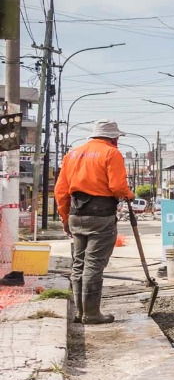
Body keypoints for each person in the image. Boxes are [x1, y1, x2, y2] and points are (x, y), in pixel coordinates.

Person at [54, 119, 134, 323]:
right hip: (101, 216)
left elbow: (60, 191)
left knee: (78, 264)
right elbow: (117, 186)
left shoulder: (72, 154)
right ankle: (91, 313)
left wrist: (65, 217)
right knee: (93, 265)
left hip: (76, 213)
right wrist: (128, 194)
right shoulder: (111, 152)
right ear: (113, 138)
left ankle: (80, 312)